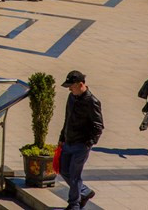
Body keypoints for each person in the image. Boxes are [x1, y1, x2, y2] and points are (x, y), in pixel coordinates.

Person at [57, 70, 104, 210]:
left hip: (81, 145)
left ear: (81, 84)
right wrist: (61, 138)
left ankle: (74, 204)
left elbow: (98, 126)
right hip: (68, 141)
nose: (69, 89)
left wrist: (89, 143)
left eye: (71, 86)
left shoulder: (92, 101)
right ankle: (84, 192)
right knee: (63, 170)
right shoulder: (71, 97)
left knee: (74, 175)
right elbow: (67, 118)